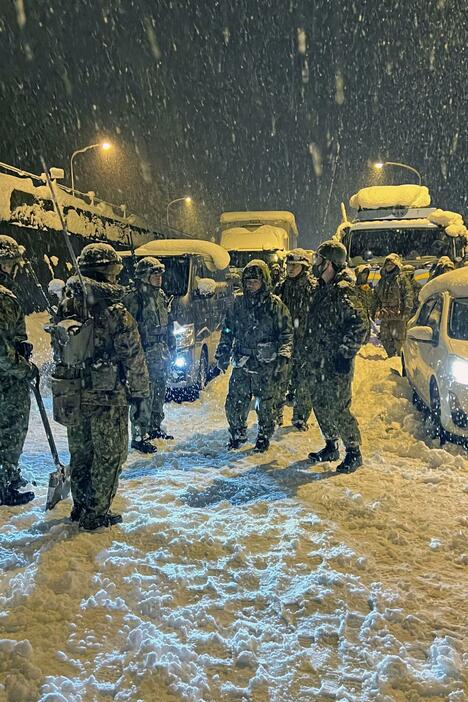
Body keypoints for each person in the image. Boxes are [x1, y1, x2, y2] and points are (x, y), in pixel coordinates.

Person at [51, 243, 149, 530]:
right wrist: (141, 395)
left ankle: (80, 506)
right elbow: (133, 356)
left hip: (72, 393)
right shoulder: (115, 311)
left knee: (81, 453)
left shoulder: (66, 306)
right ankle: (96, 513)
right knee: (110, 454)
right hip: (108, 396)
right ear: (107, 272)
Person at [215, 259, 293, 452]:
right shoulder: (238, 305)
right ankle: (237, 432)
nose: (251, 285)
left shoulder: (276, 306)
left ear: (264, 282)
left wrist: (283, 355)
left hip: (266, 363)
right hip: (242, 361)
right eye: (248, 281)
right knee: (235, 401)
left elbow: (287, 334)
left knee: (267, 404)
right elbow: (227, 330)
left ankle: (264, 435)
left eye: (255, 281)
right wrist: (223, 352)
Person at [304, 240, 368, 473]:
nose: (316, 265)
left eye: (319, 260)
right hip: (319, 360)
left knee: (339, 406)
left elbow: (361, 325)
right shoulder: (322, 289)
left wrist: (345, 353)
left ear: (330, 263)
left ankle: (354, 452)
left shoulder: (344, 292)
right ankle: (331, 445)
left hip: (336, 363)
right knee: (320, 403)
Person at [123, 257, 176, 452]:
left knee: (159, 391)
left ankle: (154, 427)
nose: (159, 278)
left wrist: (172, 347)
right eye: (155, 274)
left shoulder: (160, 296)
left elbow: (169, 325)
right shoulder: (134, 298)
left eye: (160, 274)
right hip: (142, 353)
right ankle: (139, 435)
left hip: (159, 352)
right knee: (142, 394)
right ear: (145, 276)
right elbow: (127, 329)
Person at [0, 235, 36, 506]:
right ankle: (3, 484)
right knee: (10, 430)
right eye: (13, 263)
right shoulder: (3, 298)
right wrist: (24, 367)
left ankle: (7, 476)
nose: (16, 269)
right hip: (6, 381)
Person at [274, 248, 317, 430]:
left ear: (304, 266)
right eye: (289, 265)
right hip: (285, 340)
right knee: (279, 379)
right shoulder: (282, 287)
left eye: (294, 265)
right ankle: (274, 415)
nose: (290, 269)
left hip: (305, 342)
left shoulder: (313, 288)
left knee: (304, 382)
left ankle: (300, 417)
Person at [371, 253, 413, 357]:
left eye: (392, 264)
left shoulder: (402, 280)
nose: (389, 266)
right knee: (385, 337)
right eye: (387, 264)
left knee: (399, 339)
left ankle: (398, 358)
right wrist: (373, 310)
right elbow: (376, 297)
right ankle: (391, 357)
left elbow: (408, 295)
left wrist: (406, 311)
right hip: (385, 315)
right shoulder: (382, 281)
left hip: (399, 315)